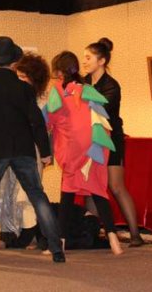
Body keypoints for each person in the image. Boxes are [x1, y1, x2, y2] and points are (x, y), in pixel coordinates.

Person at [0, 36, 64, 265]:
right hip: (22, 148)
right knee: (37, 196)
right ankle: (56, 249)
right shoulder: (24, 88)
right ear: (14, 61)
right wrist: (45, 151)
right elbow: (36, 121)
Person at [47, 51, 124, 255]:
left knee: (67, 196)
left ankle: (60, 243)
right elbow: (102, 118)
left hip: (73, 149)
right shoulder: (88, 89)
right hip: (95, 148)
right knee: (99, 192)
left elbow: (50, 120)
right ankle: (114, 240)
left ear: (58, 72)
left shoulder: (58, 90)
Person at [0, 52, 51, 251]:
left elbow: (41, 129)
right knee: (6, 193)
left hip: (30, 152)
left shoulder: (41, 101)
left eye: (24, 77)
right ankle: (8, 236)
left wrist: (46, 153)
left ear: (35, 80)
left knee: (28, 195)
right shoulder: (12, 96)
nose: (19, 80)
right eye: (18, 76)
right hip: (9, 150)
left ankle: (37, 237)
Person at [83, 38, 144, 247]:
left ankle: (135, 234)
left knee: (116, 186)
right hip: (89, 139)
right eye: (83, 58)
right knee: (91, 186)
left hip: (110, 139)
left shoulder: (111, 85)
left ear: (101, 61)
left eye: (88, 58)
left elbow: (100, 110)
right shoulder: (83, 82)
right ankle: (91, 234)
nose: (84, 62)